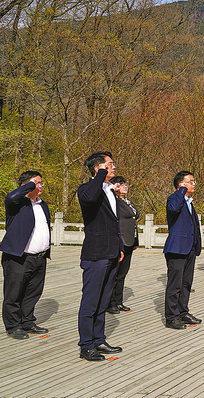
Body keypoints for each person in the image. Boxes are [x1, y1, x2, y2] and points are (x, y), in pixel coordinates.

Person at [77, 151, 124, 361]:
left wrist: (119, 246)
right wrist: (100, 175)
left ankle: (99, 339)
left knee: (103, 300)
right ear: (98, 168)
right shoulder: (86, 189)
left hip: (112, 251)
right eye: (109, 164)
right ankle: (86, 345)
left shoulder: (109, 191)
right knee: (90, 301)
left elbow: (114, 223)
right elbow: (89, 198)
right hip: (96, 253)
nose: (113, 167)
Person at [0, 171, 51, 339]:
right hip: (19, 257)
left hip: (40, 257)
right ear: (25, 185)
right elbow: (10, 196)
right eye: (36, 183)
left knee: (33, 292)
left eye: (41, 183)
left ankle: (27, 321)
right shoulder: (17, 203)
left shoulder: (42, 205)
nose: (40, 186)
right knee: (14, 293)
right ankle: (13, 326)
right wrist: (29, 186)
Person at [164, 171, 203, 329]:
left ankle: (182, 312)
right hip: (177, 248)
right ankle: (171, 317)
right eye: (190, 181)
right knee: (175, 284)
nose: (194, 184)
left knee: (186, 283)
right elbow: (173, 209)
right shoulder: (174, 198)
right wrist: (181, 190)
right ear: (181, 184)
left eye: (194, 181)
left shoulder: (189, 202)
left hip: (190, 248)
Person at [107, 176, 139, 313]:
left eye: (126, 184)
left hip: (130, 241)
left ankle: (119, 301)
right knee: (114, 273)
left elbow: (134, 219)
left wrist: (136, 241)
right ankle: (110, 302)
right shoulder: (114, 201)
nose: (125, 186)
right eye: (121, 184)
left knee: (122, 274)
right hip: (120, 241)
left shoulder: (129, 202)